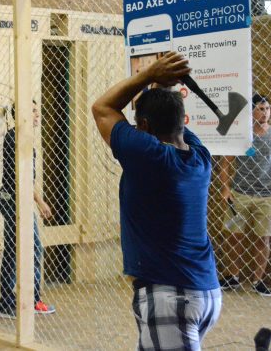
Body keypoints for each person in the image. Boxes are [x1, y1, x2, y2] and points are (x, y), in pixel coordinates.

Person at [91, 52, 221, 350]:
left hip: (171, 294)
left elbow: (102, 108)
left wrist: (148, 75)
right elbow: (170, 122)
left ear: (145, 126)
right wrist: (161, 89)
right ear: (181, 120)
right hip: (204, 290)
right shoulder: (199, 156)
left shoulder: (151, 156)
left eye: (138, 126)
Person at [0, 100, 56, 319]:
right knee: (32, 248)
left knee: (15, 251)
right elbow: (22, 180)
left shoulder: (18, 139)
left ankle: (10, 301)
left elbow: (26, 180)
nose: (37, 115)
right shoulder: (17, 140)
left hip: (12, 200)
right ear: (21, 114)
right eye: (32, 111)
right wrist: (41, 203)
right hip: (13, 201)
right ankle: (28, 301)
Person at [219, 94, 271, 297]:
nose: (265, 113)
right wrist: (225, 188)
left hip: (267, 195)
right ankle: (233, 276)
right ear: (252, 111)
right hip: (240, 193)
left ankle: (258, 280)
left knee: (263, 238)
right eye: (261, 109)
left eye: (268, 109)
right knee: (233, 236)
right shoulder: (242, 134)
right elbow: (226, 162)